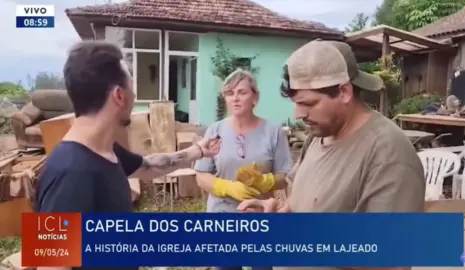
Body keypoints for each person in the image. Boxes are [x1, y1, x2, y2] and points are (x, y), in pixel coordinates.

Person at [35, 40, 220, 270]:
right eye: (133, 88)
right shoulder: (68, 172)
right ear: (119, 96)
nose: (134, 97)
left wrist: (199, 151)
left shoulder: (106, 150)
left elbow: (149, 167)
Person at [238, 40, 425, 250]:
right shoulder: (319, 135)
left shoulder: (388, 154)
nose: (298, 115)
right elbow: (302, 203)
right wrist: (279, 213)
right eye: (296, 103)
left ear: (344, 91)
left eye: (308, 104)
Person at [195, 69, 292, 270]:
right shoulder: (215, 131)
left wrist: (266, 181)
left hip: (260, 216)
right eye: (230, 94)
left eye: (242, 92)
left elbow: (285, 175)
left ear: (255, 97)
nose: (235, 99)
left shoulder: (273, 132)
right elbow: (201, 175)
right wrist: (227, 187)